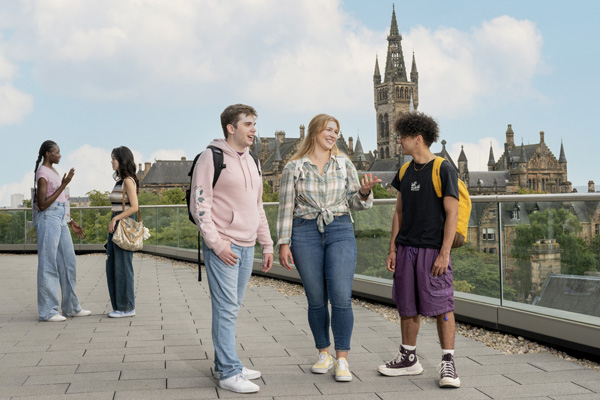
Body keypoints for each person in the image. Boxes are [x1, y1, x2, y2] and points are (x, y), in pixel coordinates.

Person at [277, 114, 381, 382]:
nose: (333, 135)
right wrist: (283, 243)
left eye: (336, 131)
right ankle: (324, 352)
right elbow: (286, 208)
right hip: (304, 231)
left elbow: (356, 203)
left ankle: (342, 359)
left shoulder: (345, 164)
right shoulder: (293, 167)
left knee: (341, 297)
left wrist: (365, 192)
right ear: (314, 132)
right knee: (315, 298)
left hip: (340, 228)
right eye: (329, 130)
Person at [190, 104, 273, 394]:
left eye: (254, 124)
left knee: (232, 308)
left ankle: (227, 361)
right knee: (226, 309)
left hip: (248, 245)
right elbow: (200, 206)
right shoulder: (210, 158)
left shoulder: (254, 161)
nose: (253, 129)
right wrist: (217, 243)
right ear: (231, 128)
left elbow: (257, 206)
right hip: (225, 245)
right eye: (248, 124)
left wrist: (267, 242)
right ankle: (228, 371)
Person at [377, 112, 461, 388]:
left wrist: (444, 253)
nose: (398, 141)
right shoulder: (403, 171)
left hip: (432, 250)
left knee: (442, 304)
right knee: (406, 304)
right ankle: (408, 358)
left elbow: (452, 214)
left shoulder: (444, 169)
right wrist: (393, 248)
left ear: (418, 138)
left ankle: (448, 363)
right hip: (406, 250)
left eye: (403, 136)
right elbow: (398, 212)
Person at [33, 140, 91, 322]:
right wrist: (64, 184)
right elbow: (42, 204)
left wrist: (70, 220)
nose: (60, 155)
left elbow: (61, 200)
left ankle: (71, 307)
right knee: (48, 263)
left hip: (60, 218)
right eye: (57, 152)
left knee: (68, 261)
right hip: (48, 217)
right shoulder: (42, 173)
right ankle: (48, 312)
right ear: (48, 154)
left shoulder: (53, 171)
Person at [106, 146, 140, 318]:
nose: (112, 161)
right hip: (116, 223)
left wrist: (115, 219)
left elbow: (135, 207)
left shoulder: (128, 181)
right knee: (113, 266)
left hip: (121, 223)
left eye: (114, 158)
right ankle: (119, 306)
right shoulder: (119, 181)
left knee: (123, 267)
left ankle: (127, 307)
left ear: (122, 160)